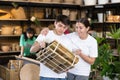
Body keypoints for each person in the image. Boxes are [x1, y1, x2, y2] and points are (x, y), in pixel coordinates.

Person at [30, 14, 72, 80]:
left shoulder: (67, 39)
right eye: (60, 26)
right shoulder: (46, 33)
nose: (62, 29)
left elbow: (68, 59)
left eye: (65, 27)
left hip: (62, 76)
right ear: (55, 23)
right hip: (46, 75)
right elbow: (32, 50)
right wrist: (39, 45)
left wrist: (67, 68)